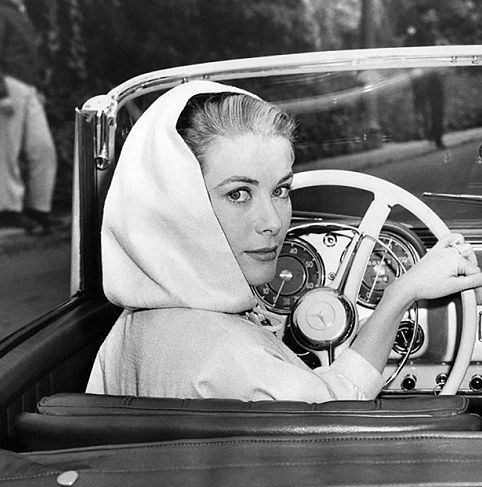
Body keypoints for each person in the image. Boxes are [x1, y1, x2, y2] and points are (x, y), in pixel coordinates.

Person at [86, 80, 482, 402]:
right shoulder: (230, 360)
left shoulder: (131, 329)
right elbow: (337, 412)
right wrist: (402, 293)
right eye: (238, 194)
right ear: (176, 204)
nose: (272, 223)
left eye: (280, 190)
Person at [0, 0, 61, 233]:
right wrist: (1, 92)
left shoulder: (21, 13)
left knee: (43, 148)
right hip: (9, 84)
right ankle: (8, 210)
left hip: (28, 87)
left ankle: (38, 209)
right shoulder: (3, 11)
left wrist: (37, 88)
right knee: (7, 150)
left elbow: (28, 57)